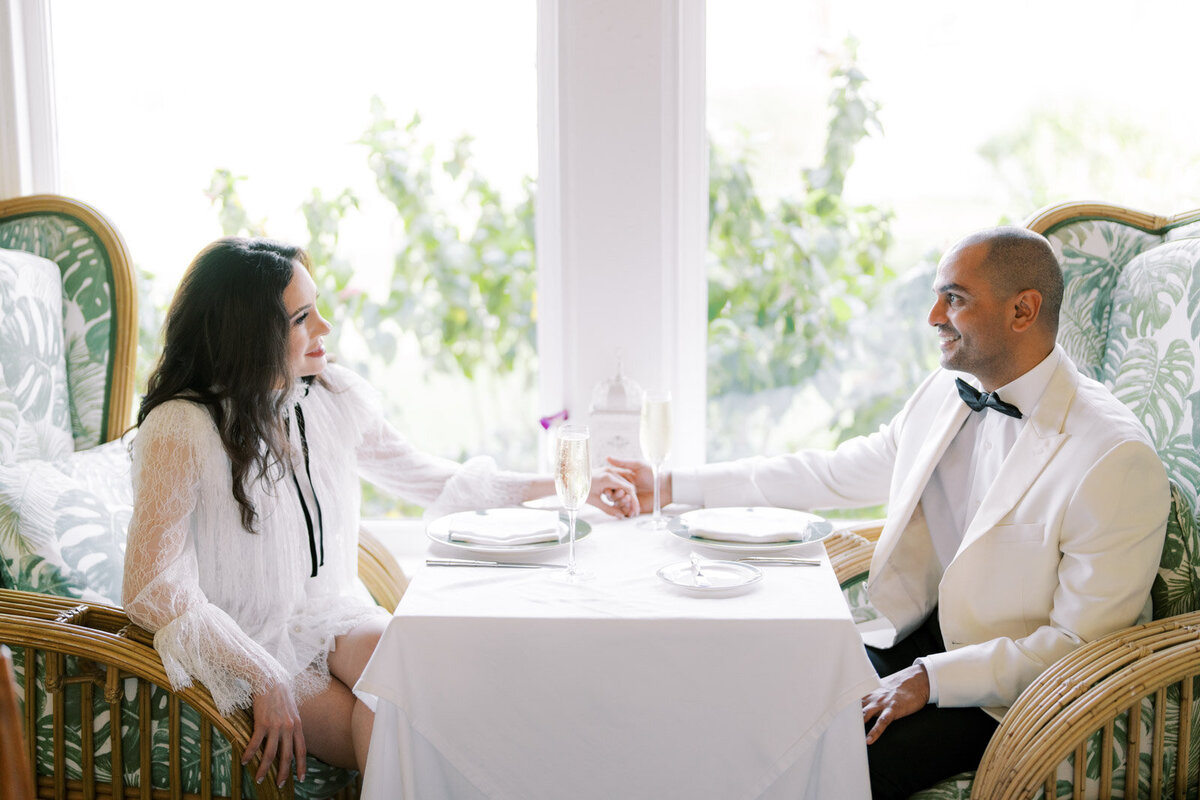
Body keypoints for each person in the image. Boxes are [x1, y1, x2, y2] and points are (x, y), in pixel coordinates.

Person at [615, 226, 1169, 798]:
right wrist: (671, 484)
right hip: (909, 637)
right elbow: (832, 472)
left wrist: (931, 680)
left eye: (953, 298)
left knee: (821, 768)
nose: (932, 315)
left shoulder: (1113, 457)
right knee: (751, 704)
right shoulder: (946, 388)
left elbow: (1079, 651)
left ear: (1023, 310)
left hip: (1004, 700)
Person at [122, 237, 639, 788]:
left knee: (429, 692)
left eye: (317, 308)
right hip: (250, 641)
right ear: (249, 336)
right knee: (409, 731)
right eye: (302, 318)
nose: (323, 329)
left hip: (336, 615)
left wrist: (563, 486)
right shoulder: (180, 428)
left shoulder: (329, 395)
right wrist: (260, 671)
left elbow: (427, 476)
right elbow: (151, 585)